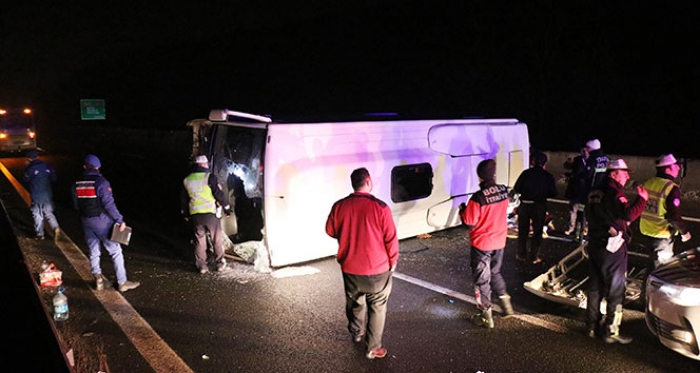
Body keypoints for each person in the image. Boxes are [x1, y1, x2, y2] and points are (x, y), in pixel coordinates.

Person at [325, 167, 399, 359]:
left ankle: (356, 332)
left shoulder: (339, 206)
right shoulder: (381, 207)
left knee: (354, 301)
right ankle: (373, 347)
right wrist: (393, 261)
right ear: (368, 181)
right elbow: (391, 239)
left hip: (350, 267)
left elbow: (330, 230)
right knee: (377, 306)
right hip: (378, 269)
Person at [585, 158, 647, 344]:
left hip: (595, 244)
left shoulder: (595, 190)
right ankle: (611, 331)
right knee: (615, 289)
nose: (627, 176)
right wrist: (642, 200)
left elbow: (593, 214)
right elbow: (628, 213)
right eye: (624, 172)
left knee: (595, 287)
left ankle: (591, 326)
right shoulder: (614, 193)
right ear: (613, 174)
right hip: (612, 247)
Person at [459, 159, 514, 328]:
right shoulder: (503, 191)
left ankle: (486, 316)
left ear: (479, 176)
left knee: (482, 280)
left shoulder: (478, 198)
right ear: (494, 174)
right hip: (500, 240)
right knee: (495, 272)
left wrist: (462, 210)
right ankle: (506, 305)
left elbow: (469, 222)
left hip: (482, 243)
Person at [72, 154, 140, 292]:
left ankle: (98, 278)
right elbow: (109, 204)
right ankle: (122, 282)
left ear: (84, 166)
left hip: (86, 221)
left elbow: (76, 205)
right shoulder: (101, 182)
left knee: (94, 251)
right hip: (102, 221)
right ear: (97, 167)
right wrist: (119, 220)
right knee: (115, 252)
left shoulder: (76, 183)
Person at [181, 155, 232, 274]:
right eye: (207, 164)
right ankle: (219, 263)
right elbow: (218, 194)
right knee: (216, 239)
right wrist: (227, 208)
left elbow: (183, 199)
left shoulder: (187, 179)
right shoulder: (209, 177)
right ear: (204, 164)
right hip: (210, 214)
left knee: (200, 240)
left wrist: (185, 214)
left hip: (196, 215)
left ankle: (202, 266)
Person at [640, 154, 691, 268]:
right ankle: (651, 286)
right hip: (661, 233)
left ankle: (647, 284)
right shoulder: (671, 187)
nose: (678, 168)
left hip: (646, 229)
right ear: (668, 169)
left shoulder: (648, 182)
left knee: (652, 264)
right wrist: (684, 232)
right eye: (675, 166)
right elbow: (673, 216)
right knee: (660, 268)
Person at [512, 152, 557, 264]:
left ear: (533, 161)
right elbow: (553, 193)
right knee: (537, 232)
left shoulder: (526, 173)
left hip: (525, 205)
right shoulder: (548, 176)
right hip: (539, 206)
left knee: (523, 231)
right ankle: (534, 256)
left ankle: (521, 255)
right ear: (544, 164)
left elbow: (517, 188)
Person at [23, 150, 60, 240]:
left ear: (29, 158)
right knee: (49, 212)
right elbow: (54, 178)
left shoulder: (30, 168)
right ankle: (55, 227)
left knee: (37, 214)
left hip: (36, 194)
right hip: (47, 194)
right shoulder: (47, 165)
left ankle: (40, 234)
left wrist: (27, 167)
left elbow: (25, 179)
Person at [563, 146, 590, 240]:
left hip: (586, 190)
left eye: (587, 151)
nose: (585, 153)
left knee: (585, 212)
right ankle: (571, 228)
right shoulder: (577, 160)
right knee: (573, 209)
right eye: (583, 151)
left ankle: (585, 229)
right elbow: (568, 168)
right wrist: (568, 162)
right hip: (575, 189)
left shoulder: (592, 161)